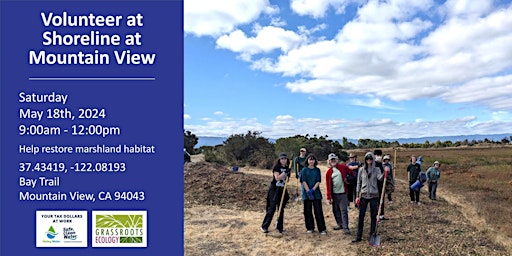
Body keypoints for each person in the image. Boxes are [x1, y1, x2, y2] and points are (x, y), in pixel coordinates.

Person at [352, 152, 386, 243]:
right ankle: (358, 236)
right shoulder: (361, 170)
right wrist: (357, 196)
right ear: (365, 160)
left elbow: (380, 178)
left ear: (373, 160)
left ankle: (372, 234)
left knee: (373, 216)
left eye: (370, 159)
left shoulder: (377, 169)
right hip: (363, 195)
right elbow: (358, 183)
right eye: (367, 159)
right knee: (361, 216)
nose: (369, 161)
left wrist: (385, 173)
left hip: (374, 195)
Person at [261, 153, 290, 234]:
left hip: (282, 190)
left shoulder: (288, 168)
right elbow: (277, 178)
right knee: (272, 208)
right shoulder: (276, 167)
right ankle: (264, 226)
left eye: (285, 158)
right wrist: (285, 173)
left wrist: (288, 174)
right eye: (282, 159)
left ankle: (279, 227)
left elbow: (287, 180)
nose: (283, 160)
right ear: (279, 160)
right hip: (274, 189)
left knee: (281, 209)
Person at [325, 153, 354, 234]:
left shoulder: (343, 167)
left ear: (336, 160)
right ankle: (340, 224)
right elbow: (328, 185)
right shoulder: (329, 172)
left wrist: (348, 180)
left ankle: (346, 227)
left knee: (343, 210)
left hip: (343, 193)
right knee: (335, 210)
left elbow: (353, 174)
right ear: (329, 161)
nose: (333, 161)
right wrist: (329, 197)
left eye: (334, 159)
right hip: (334, 194)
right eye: (331, 160)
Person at [300, 154, 327, 235]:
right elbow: (303, 181)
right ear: (307, 161)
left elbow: (318, 181)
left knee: (318, 211)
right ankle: (310, 227)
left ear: (315, 161)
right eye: (310, 160)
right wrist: (308, 191)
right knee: (307, 211)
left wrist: (313, 190)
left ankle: (322, 229)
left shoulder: (317, 170)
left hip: (316, 193)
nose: (311, 161)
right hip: (306, 193)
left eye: (313, 159)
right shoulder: (304, 170)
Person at [373, 149, 388, 221]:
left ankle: (381, 215)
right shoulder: (374, 164)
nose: (379, 157)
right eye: (377, 155)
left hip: (382, 185)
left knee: (381, 199)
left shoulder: (381, 164)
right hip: (376, 185)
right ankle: (377, 215)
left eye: (380, 155)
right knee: (377, 200)